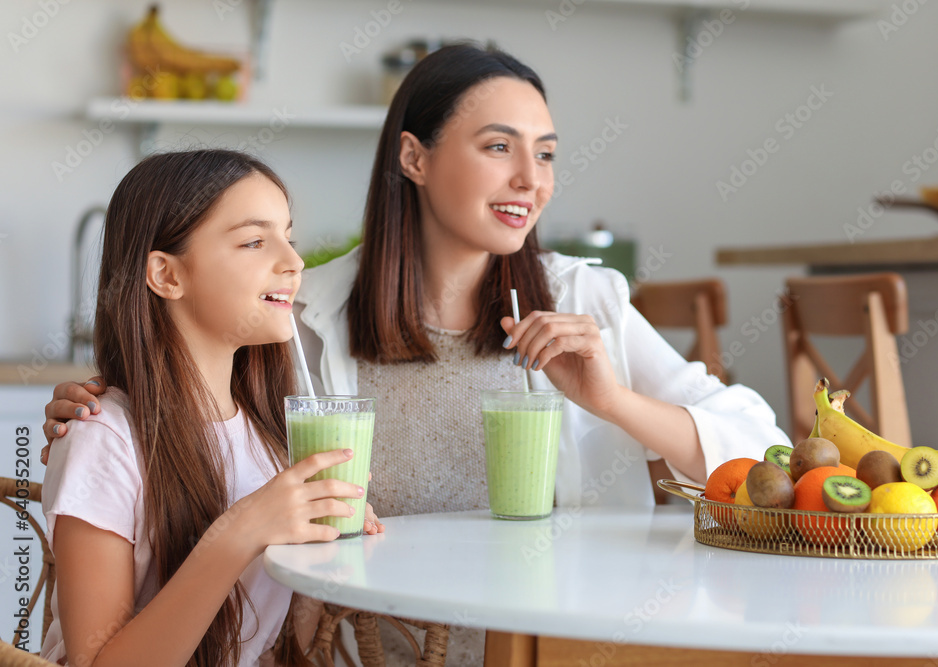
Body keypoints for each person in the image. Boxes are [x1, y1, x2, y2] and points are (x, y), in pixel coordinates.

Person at [42, 44, 790, 664]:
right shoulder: (304, 318)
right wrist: (110, 397)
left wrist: (613, 403)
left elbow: (767, 456)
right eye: (499, 147)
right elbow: (182, 396)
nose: (532, 180)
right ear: (414, 157)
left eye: (547, 154)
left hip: (556, 647)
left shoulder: (580, 302)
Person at [39, 149, 381, 667]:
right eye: (254, 241)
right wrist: (240, 532)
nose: (293, 261)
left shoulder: (270, 437)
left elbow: (273, 641)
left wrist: (320, 542)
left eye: (289, 235)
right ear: (166, 275)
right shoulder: (103, 437)